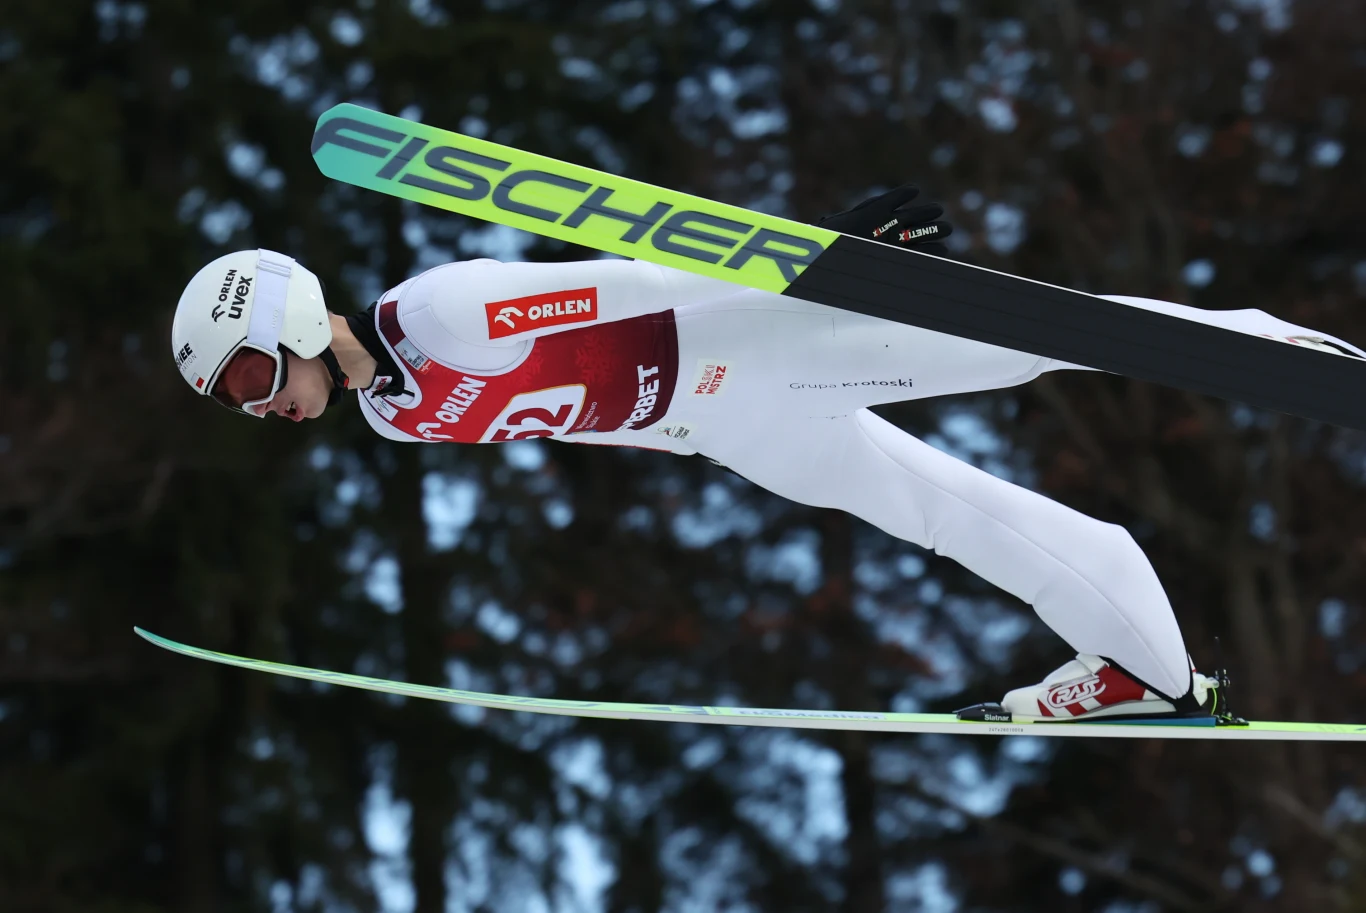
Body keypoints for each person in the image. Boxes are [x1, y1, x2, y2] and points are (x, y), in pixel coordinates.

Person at [169, 186, 1364, 723]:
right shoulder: (389, 414)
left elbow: (625, 279)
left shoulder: (440, 314)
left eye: (249, 377)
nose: (259, 405)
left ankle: (1298, 358)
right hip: (727, 429)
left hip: (750, 339)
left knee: (1045, 343)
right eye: (236, 400)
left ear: (284, 322)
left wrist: (823, 254)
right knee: (946, 511)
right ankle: (1143, 666)